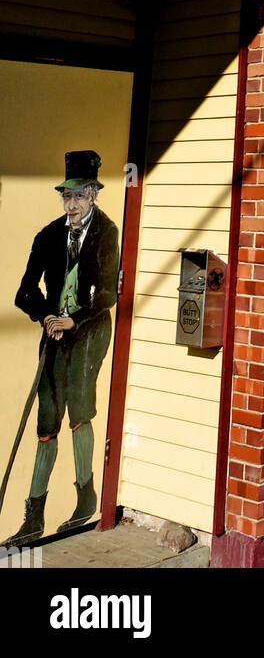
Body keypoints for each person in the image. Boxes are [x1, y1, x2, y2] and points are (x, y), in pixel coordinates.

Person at [3, 151, 119, 547]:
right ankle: (34, 514)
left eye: (79, 197)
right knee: (46, 422)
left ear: (93, 196)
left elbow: (107, 293)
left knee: (79, 410)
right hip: (54, 335)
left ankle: (85, 494)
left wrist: (75, 317)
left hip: (89, 334)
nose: (71, 206)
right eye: (66, 197)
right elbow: (24, 292)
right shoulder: (48, 235)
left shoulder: (107, 232)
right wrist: (48, 316)